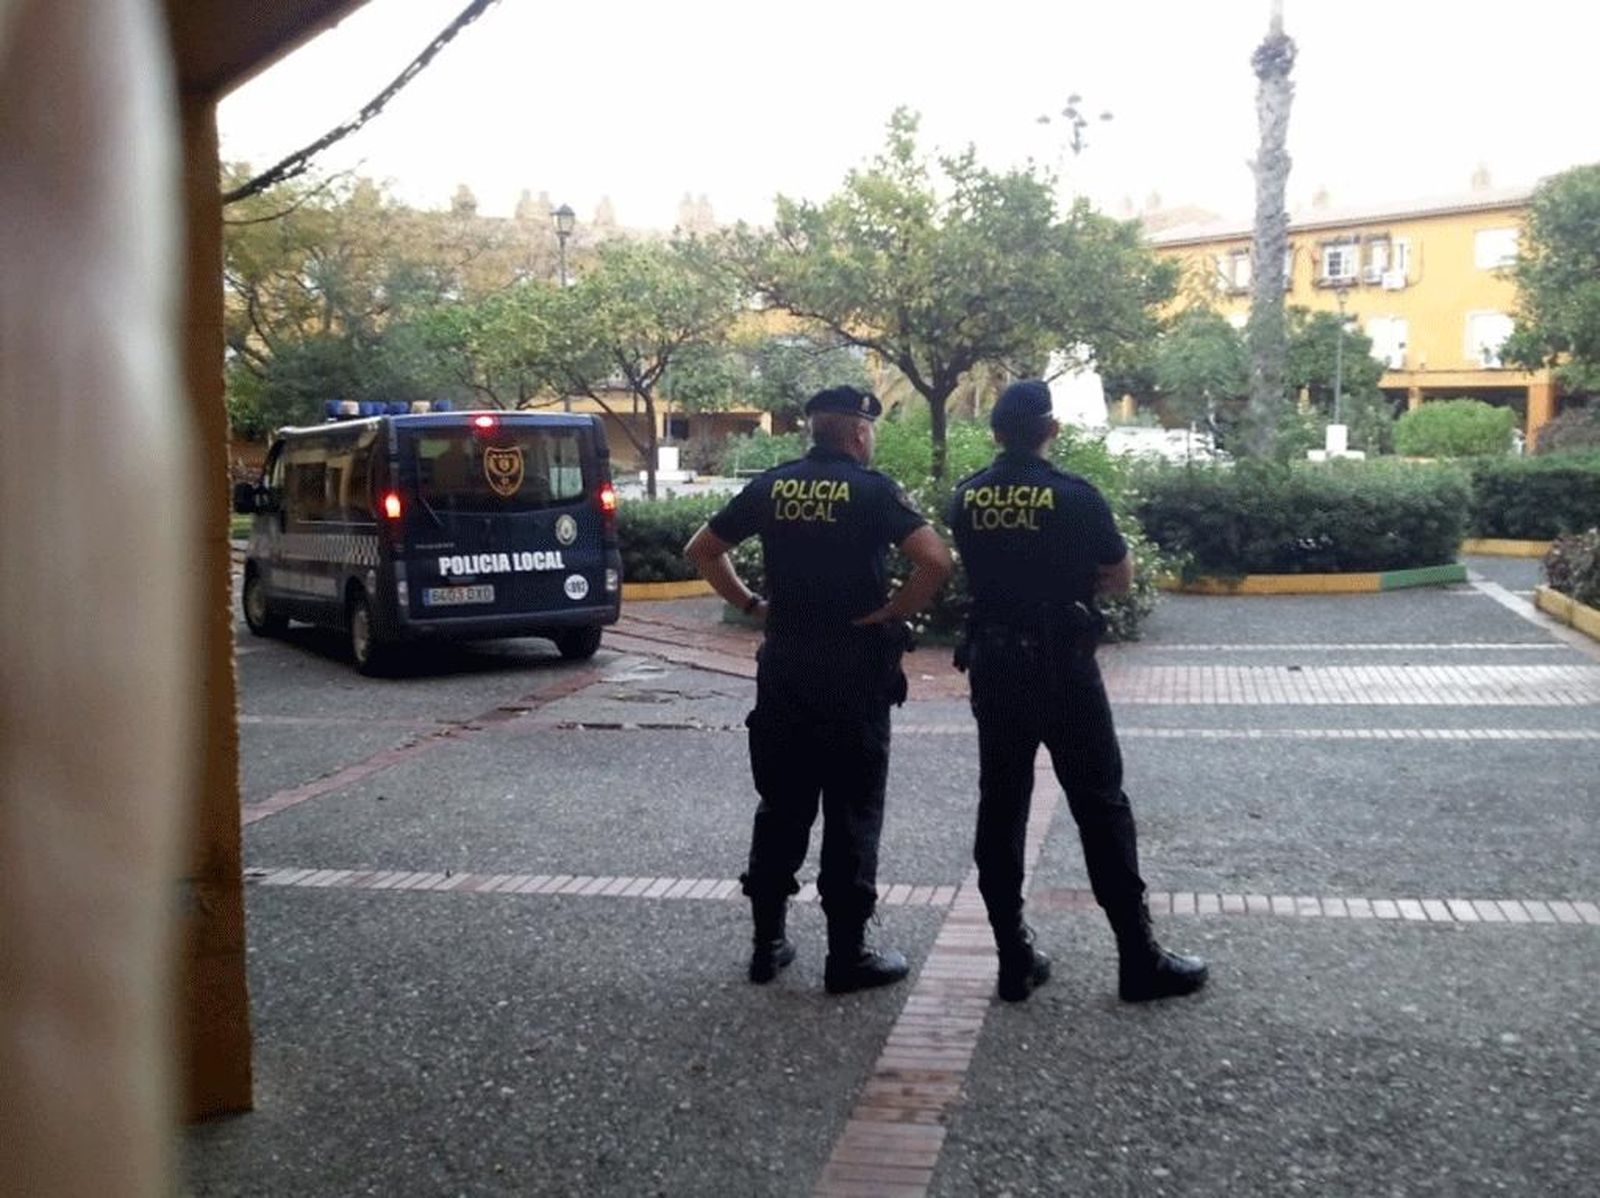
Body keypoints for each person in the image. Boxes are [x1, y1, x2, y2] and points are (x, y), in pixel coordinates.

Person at [685, 385, 953, 993]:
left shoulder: (773, 485)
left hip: (785, 669)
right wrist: (892, 613)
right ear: (858, 433)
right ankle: (847, 955)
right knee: (852, 809)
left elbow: (702, 549)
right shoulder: (872, 490)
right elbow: (936, 561)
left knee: (782, 804)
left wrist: (752, 603)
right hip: (853, 673)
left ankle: (767, 943)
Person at [948, 379, 1208, 1003]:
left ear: (996, 434)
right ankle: (1137, 958)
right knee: (1100, 805)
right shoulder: (1075, 497)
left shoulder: (967, 498)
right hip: (1062, 668)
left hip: (996, 665)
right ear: (1051, 431)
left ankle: (1013, 956)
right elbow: (1118, 578)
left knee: (1003, 804)